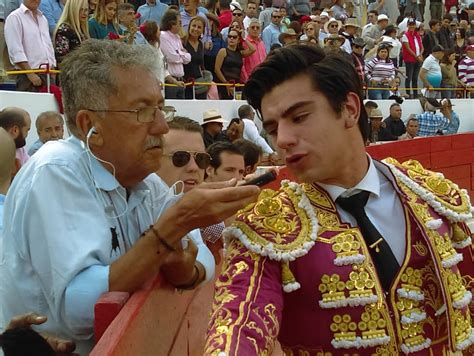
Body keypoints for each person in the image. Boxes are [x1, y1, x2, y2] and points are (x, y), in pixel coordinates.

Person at [205, 44, 474, 355]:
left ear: (349, 109)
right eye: (273, 128)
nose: (283, 140)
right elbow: (237, 324)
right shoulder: (265, 228)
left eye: (300, 116)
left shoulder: (435, 197)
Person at [0, 40, 260, 354]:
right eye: (143, 112)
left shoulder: (144, 181)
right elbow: (82, 310)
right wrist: (169, 231)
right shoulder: (56, 169)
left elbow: (200, 255)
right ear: (89, 124)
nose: (162, 127)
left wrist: (182, 268)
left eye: (161, 109)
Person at [4, 0, 56, 92]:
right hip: (28, 76)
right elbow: (15, 50)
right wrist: (30, 74)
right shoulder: (14, 17)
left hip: (48, 74)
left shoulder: (43, 19)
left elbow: (48, 45)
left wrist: (52, 67)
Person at [214, 28, 255, 99]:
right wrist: (226, 83)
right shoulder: (223, 51)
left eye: (234, 37)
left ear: (238, 40)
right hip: (224, 83)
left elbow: (253, 49)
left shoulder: (240, 53)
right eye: (229, 36)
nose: (231, 38)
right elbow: (217, 69)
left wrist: (244, 38)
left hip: (237, 84)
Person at [160, 9, 190, 99]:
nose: (181, 25)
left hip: (181, 79)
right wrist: (182, 54)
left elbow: (188, 58)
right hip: (170, 81)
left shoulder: (177, 37)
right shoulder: (163, 36)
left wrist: (179, 54)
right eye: (179, 22)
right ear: (172, 24)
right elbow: (171, 57)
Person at [54, 0, 90, 64]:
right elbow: (62, 60)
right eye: (81, 10)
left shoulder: (83, 29)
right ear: (73, 10)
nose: (84, 13)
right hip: (71, 71)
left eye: (86, 10)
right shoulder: (64, 30)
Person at [183, 16, 208, 99]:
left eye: (199, 27)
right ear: (189, 26)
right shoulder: (182, 42)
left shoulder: (201, 44)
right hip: (186, 83)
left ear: (202, 31)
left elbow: (202, 64)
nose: (196, 29)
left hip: (199, 84)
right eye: (194, 26)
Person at [401, 17, 424, 98]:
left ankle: (415, 94)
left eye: (413, 25)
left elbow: (422, 47)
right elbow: (408, 48)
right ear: (407, 25)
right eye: (410, 25)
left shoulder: (417, 35)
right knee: (409, 78)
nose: (412, 26)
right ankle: (408, 94)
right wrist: (416, 56)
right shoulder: (405, 35)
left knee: (415, 78)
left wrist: (420, 55)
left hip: (417, 59)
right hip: (410, 60)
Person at [241, 18, 266, 83]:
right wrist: (246, 79)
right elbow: (242, 64)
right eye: (252, 27)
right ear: (247, 29)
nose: (255, 29)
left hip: (262, 78)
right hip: (250, 79)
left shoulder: (262, 43)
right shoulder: (244, 43)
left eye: (257, 28)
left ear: (260, 30)